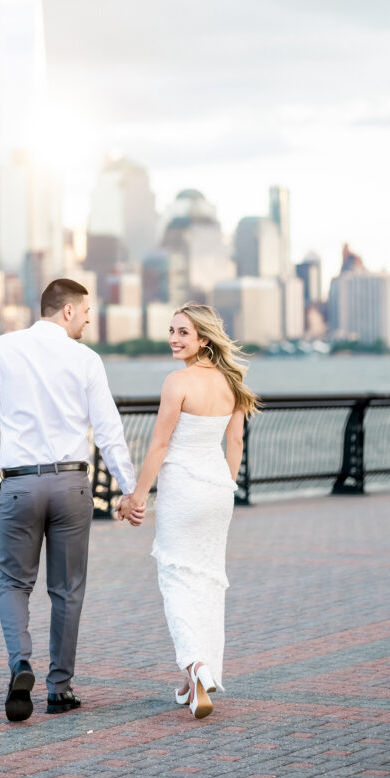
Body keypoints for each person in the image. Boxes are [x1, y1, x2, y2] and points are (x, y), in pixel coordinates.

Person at [0, 278, 144, 722]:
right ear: (65, 311)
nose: (87, 319)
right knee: (68, 591)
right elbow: (108, 430)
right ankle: (59, 690)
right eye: (84, 311)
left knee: (12, 583)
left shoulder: (3, 348)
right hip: (71, 485)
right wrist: (129, 488)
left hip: (20, 484)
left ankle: (20, 664)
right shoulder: (86, 359)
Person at [118, 303, 258, 719]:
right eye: (172, 331)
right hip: (218, 490)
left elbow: (160, 445)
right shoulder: (233, 382)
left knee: (177, 578)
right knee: (208, 580)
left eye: (183, 332)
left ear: (203, 339)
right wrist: (226, 485)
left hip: (183, 489)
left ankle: (195, 665)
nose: (174, 339)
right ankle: (198, 677)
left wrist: (138, 496)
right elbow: (235, 443)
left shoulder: (176, 382)